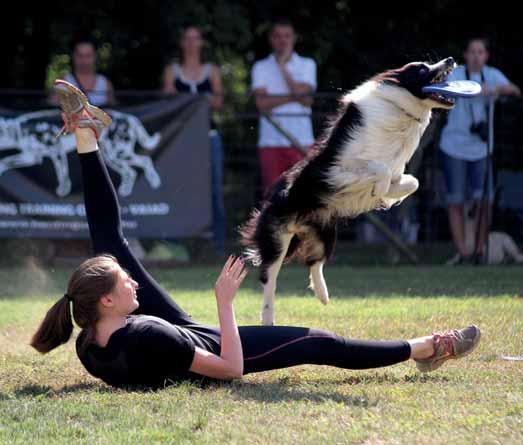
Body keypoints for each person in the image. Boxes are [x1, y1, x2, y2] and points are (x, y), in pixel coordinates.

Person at [30, 81, 481, 388]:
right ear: (108, 302)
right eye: (122, 283)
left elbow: (127, 310)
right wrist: (225, 305)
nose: (130, 280)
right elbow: (229, 369)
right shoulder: (148, 334)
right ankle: (426, 348)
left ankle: (87, 134)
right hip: (203, 346)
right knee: (316, 342)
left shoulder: (90, 342)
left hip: (165, 342)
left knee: (109, 244)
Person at [439, 37, 520, 264]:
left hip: (482, 149)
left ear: (486, 56)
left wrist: (495, 90)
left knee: (484, 200)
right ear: (465, 55)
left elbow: (514, 91)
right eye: (472, 51)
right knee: (456, 199)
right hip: (454, 147)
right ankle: (463, 252)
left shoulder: (492, 75)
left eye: (481, 52)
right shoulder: (456, 73)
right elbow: (443, 88)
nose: (476, 56)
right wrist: (474, 91)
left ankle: (479, 249)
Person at [162, 25, 226, 256]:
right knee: (178, 188)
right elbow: (168, 101)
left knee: (214, 190)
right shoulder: (173, 70)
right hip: (181, 141)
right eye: (186, 39)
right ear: (182, 43)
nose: (191, 43)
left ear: (201, 43)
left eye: (195, 39)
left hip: (208, 137)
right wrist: (198, 99)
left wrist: (197, 100)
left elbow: (218, 102)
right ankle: (177, 243)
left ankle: (218, 246)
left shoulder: (212, 71)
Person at [251, 19, 317, 193]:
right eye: (278, 36)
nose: (282, 41)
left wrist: (282, 68)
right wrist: (295, 96)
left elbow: (307, 99)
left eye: (286, 36)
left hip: (302, 140)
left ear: (294, 38)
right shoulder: (260, 67)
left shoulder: (307, 64)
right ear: (271, 39)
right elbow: (261, 104)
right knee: (273, 197)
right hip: (270, 141)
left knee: (302, 194)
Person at [51, 37, 116, 107]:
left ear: (95, 56)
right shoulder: (63, 82)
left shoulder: (105, 83)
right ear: (73, 56)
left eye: (88, 56)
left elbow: (114, 110)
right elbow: (51, 108)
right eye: (80, 56)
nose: (84, 61)